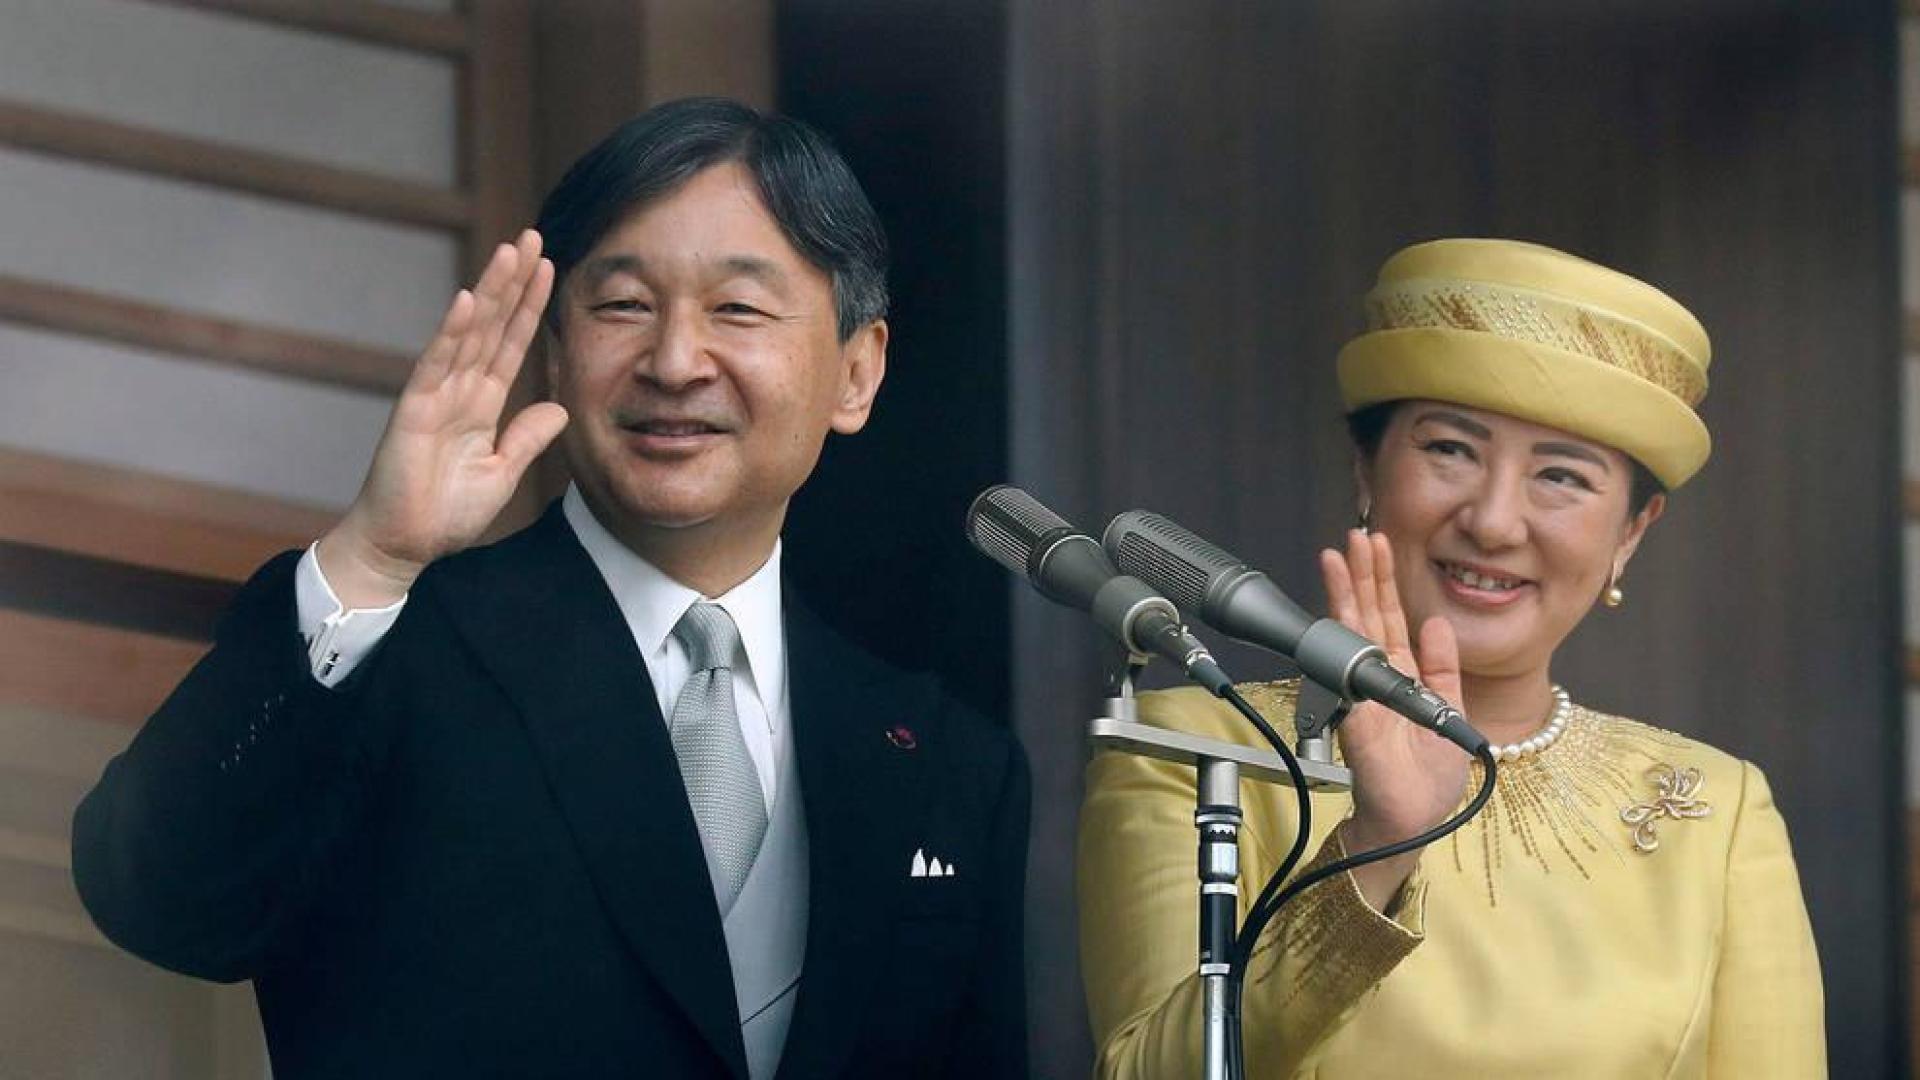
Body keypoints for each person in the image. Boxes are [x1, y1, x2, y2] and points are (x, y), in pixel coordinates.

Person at [72, 97, 1029, 1080]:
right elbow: (157, 899)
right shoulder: (393, 647)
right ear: (555, 348)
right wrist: (372, 555)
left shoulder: (950, 767)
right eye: (623, 305)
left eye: (737, 309)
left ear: (856, 374)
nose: (672, 361)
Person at [1078, 238, 1823, 1077]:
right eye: (1451, 450)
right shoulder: (1195, 751)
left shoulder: (1718, 811)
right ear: (1367, 470)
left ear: (1631, 533)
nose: (1495, 521)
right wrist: (1381, 842)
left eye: (1563, 477)